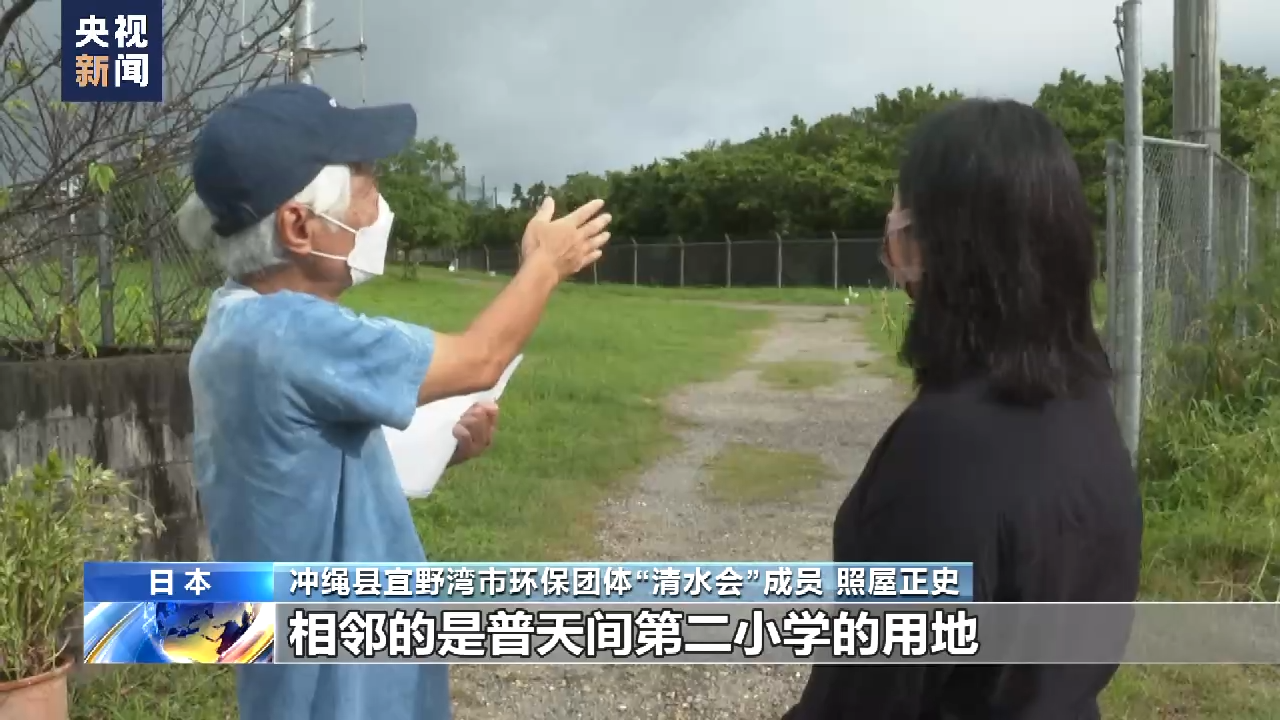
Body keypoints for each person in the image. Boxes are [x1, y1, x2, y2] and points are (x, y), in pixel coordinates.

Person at [176, 83, 611, 720]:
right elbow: (481, 358)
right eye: (365, 179)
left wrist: (437, 450)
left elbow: (299, 470)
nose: (378, 206)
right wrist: (544, 265)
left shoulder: (235, 323)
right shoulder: (290, 333)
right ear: (299, 225)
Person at [782, 99, 1142, 719]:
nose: (892, 232)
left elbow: (865, 699)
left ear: (945, 242)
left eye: (903, 214)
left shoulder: (943, 453)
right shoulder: (1086, 404)